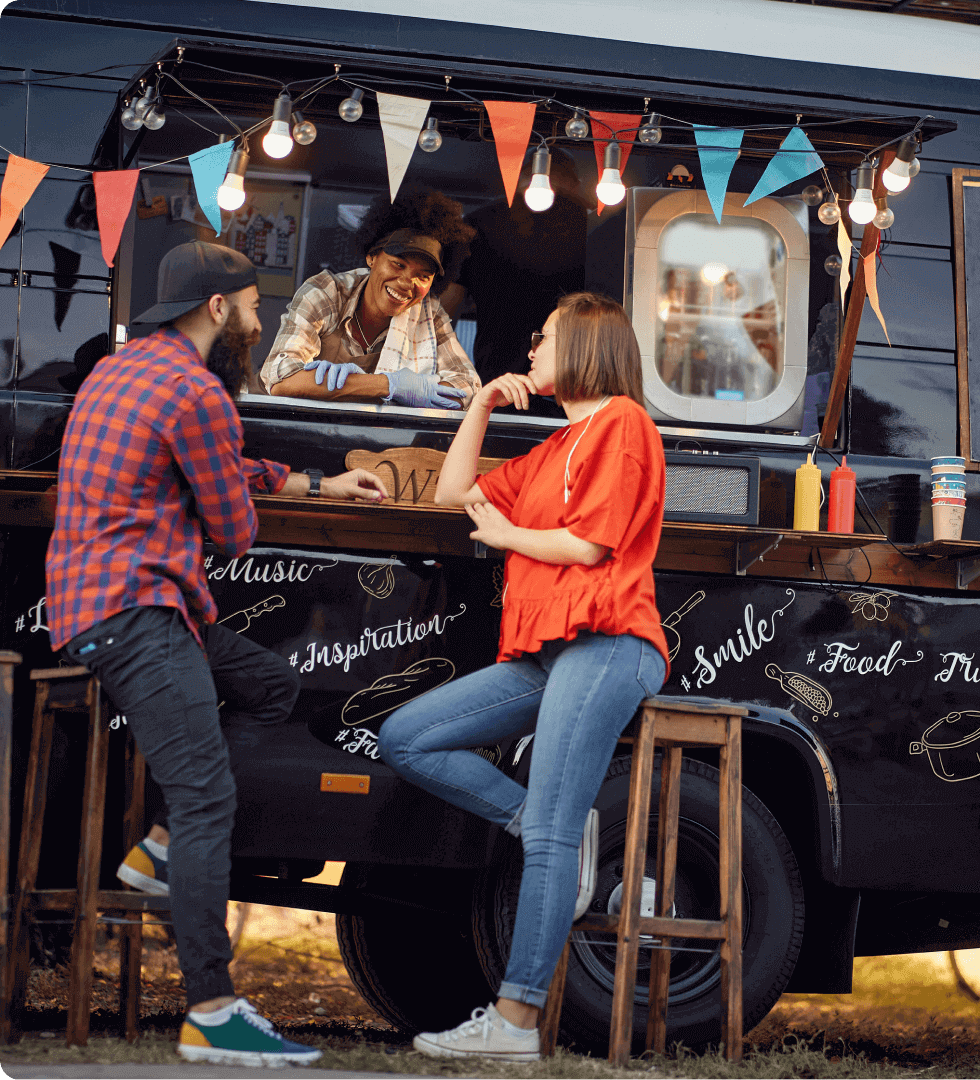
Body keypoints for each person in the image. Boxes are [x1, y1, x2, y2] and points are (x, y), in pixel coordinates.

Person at [45, 240, 388, 1068]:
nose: (261, 317)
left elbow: (215, 469)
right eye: (252, 302)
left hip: (102, 605)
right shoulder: (198, 392)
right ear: (217, 308)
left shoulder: (120, 370)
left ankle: (160, 849)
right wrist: (250, 490)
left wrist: (317, 484)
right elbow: (233, 530)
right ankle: (212, 1011)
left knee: (270, 683)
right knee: (208, 803)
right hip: (138, 611)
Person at [378, 292, 669, 1062]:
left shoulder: (623, 425)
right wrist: (477, 404)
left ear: (583, 345)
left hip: (607, 641)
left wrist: (509, 536)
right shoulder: (554, 444)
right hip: (547, 651)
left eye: (543, 338)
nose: (531, 349)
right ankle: (553, 834)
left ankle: (514, 1023)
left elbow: (593, 545)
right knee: (407, 736)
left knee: (548, 833)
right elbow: (452, 493)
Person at [260, 190, 481, 409]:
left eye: (423, 276)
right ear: (372, 257)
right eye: (398, 264)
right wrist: (389, 385)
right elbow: (281, 379)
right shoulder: (326, 292)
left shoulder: (429, 313)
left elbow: (468, 387)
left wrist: (419, 389)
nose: (406, 283)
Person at [440, 149, 588, 404]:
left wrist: (444, 376)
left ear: (519, 176)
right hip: (572, 387)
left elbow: (443, 314)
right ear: (572, 181)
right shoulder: (593, 226)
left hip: (497, 381)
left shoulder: (477, 223)